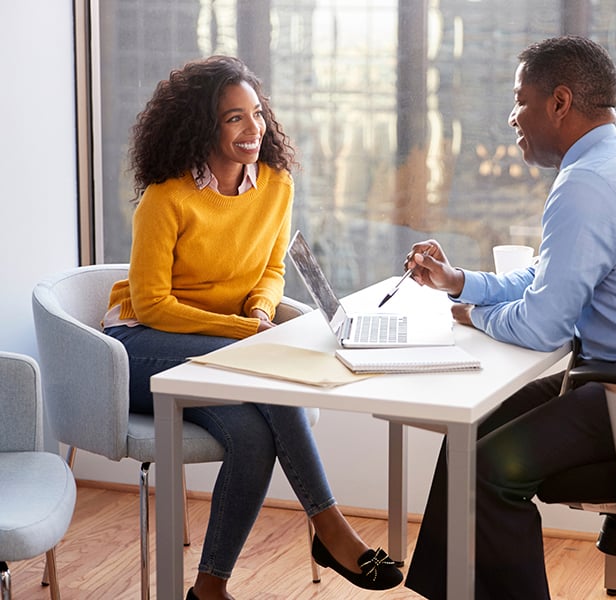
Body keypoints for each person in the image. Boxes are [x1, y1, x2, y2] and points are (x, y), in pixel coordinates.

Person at [402, 36, 616, 600]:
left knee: (489, 470)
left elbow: (541, 325)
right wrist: (461, 283)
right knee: (470, 435)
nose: (512, 117)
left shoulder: (589, 183)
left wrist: (473, 317)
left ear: (559, 102)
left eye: (520, 100)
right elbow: (547, 278)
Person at [102, 55, 403, 600]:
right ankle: (331, 528)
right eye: (233, 118)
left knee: (251, 437)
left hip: (222, 346)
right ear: (201, 126)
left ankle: (209, 588)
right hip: (138, 348)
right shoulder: (166, 198)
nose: (253, 129)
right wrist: (244, 335)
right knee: (266, 371)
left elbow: (271, 269)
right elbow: (150, 305)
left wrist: (262, 314)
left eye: (257, 114)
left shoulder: (276, 186)